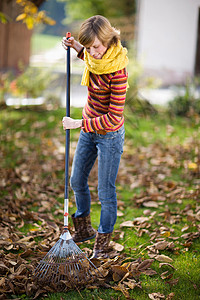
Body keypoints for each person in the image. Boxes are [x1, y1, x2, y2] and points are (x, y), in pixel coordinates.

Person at [62, 15, 128, 258]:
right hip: (90, 131)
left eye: (96, 47)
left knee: (105, 192)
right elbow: (89, 57)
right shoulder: (94, 55)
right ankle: (84, 229)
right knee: (77, 181)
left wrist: (78, 123)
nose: (92, 52)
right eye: (89, 47)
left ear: (108, 40)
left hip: (109, 135)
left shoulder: (118, 72)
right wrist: (76, 47)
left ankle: (103, 245)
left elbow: (112, 117)